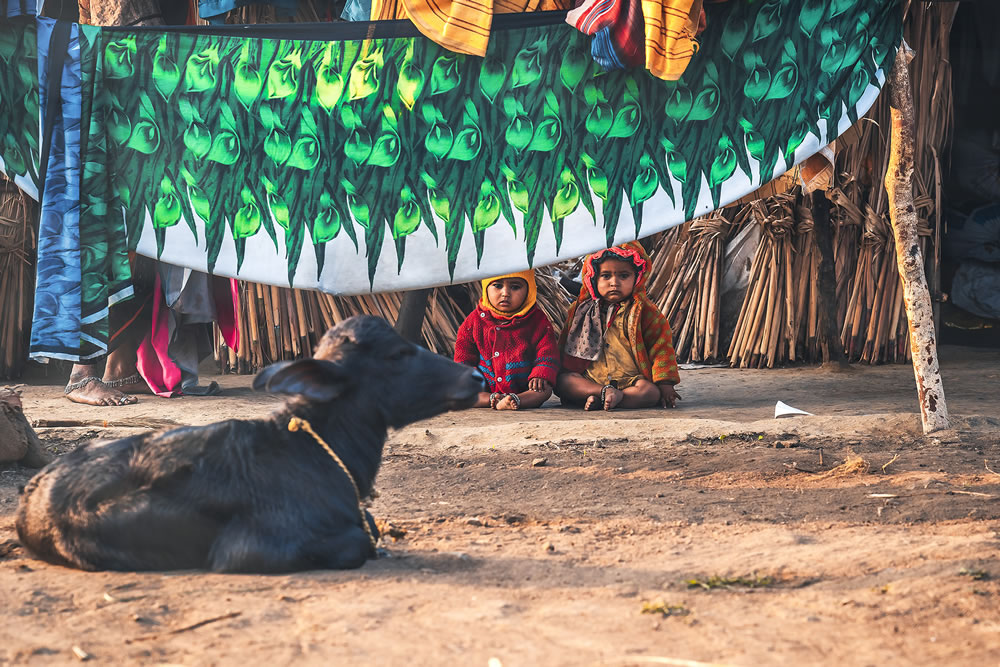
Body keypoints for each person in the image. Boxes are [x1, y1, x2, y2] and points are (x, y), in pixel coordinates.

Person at [556, 241, 681, 411]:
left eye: (623, 276)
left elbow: (661, 347)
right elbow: (565, 344)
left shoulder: (645, 312)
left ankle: (610, 398)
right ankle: (603, 392)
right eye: (606, 276)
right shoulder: (580, 311)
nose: (614, 282)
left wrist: (665, 383)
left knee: (650, 392)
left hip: (630, 381)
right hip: (591, 379)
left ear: (637, 278)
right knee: (563, 382)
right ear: (592, 277)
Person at [453, 270, 559, 410]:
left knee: (544, 389)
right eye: (497, 286)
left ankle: (516, 400)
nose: (505, 293)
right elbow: (463, 357)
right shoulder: (473, 322)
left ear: (529, 290)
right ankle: (491, 400)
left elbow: (547, 353)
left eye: (515, 287)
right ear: (486, 288)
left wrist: (540, 373)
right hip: (484, 386)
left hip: (525, 387)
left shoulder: (538, 321)